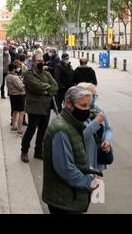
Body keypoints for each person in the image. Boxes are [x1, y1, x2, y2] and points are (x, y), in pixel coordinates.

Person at [42, 86, 100, 214]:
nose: (87, 110)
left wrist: (88, 170)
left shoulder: (72, 123)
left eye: (89, 106)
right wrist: (89, 182)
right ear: (69, 103)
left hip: (68, 197)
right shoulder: (61, 129)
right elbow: (66, 169)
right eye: (83, 105)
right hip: (63, 200)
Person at [20, 54, 58, 163]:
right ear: (33, 62)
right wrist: (47, 89)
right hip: (34, 107)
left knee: (43, 130)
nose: (40, 62)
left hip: (46, 107)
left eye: (42, 60)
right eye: (38, 60)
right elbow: (37, 87)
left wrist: (46, 90)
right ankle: (24, 151)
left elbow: (55, 86)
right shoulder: (28, 74)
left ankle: (38, 151)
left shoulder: (47, 73)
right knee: (31, 130)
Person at [77, 83, 113, 173]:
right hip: (86, 160)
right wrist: (96, 122)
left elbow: (108, 129)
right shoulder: (78, 112)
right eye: (92, 95)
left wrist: (107, 141)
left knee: (98, 183)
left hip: (99, 158)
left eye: (94, 95)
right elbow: (81, 136)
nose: (93, 98)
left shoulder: (98, 110)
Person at [6, 61, 26, 134]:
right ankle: (20, 128)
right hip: (19, 96)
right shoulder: (14, 77)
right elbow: (21, 87)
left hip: (12, 95)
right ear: (14, 69)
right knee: (21, 112)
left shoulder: (8, 76)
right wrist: (22, 81)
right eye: (17, 68)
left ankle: (13, 126)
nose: (18, 69)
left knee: (15, 111)